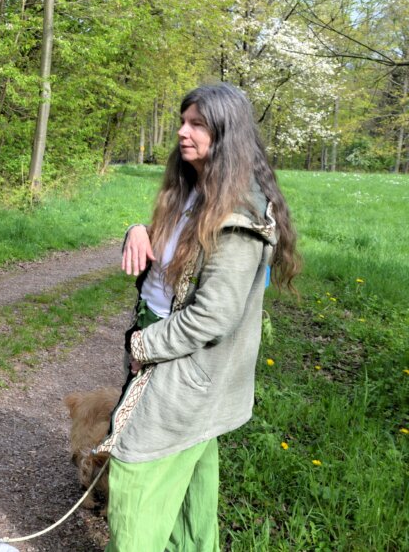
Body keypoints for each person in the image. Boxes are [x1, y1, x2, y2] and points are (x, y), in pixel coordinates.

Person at [95, 83, 300, 551]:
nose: (182, 133)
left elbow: (213, 315)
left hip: (185, 365)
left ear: (226, 134)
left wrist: (142, 347)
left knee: (136, 470)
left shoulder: (238, 216)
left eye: (197, 125)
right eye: (182, 121)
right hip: (165, 344)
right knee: (191, 478)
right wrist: (136, 231)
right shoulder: (193, 188)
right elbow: (174, 257)